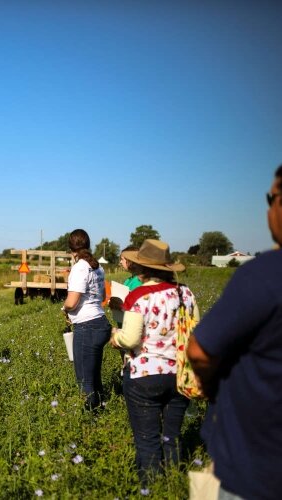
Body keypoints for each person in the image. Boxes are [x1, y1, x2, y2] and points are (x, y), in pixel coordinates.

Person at [187, 165, 282, 500]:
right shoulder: (183, 292)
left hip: (259, 472)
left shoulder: (265, 275)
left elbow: (200, 350)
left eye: (271, 197)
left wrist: (211, 388)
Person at [110, 239, 195, 486]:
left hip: (143, 375)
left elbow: (130, 338)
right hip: (180, 373)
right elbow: (195, 331)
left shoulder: (139, 296)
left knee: (147, 439)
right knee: (172, 436)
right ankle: (174, 484)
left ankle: (152, 487)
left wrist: (115, 338)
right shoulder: (185, 293)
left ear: (143, 267)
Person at [62, 228, 110, 412]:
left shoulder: (80, 268)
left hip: (87, 327)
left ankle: (90, 417)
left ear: (71, 249)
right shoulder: (98, 267)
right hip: (100, 322)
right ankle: (100, 410)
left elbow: (72, 301)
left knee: (84, 379)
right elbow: (103, 295)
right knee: (95, 376)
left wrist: (64, 308)